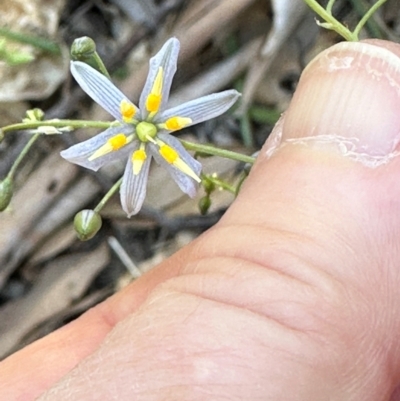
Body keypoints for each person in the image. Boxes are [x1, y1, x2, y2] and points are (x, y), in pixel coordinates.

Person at [2, 38, 400, 401]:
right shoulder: (134, 142)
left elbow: (185, 97)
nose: (144, 129)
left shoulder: (148, 127)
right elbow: (107, 164)